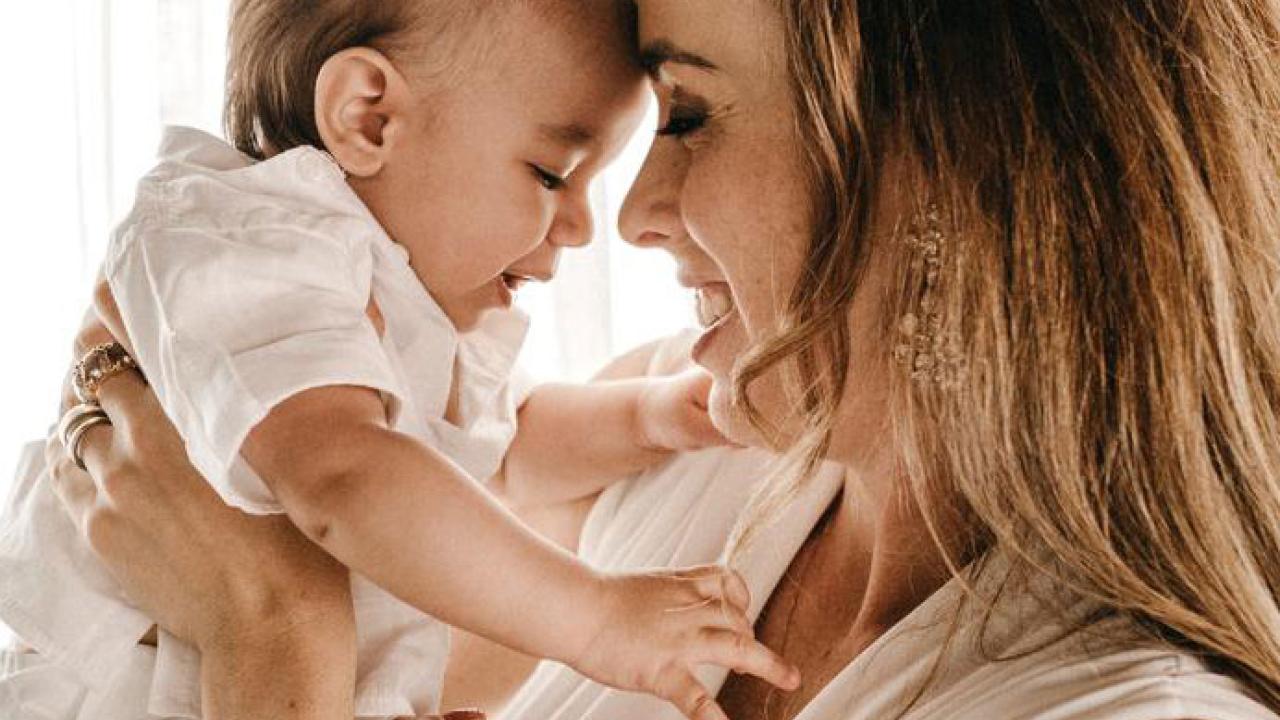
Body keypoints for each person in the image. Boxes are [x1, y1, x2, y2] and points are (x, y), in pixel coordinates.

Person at [23, 0, 1280, 718]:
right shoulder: (667, 455)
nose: (625, 218)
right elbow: (397, 499)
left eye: (685, 115)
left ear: (952, 162)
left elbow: (336, 574)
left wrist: (269, 630)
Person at [0, 1, 802, 719]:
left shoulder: (396, 294)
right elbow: (344, 478)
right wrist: (594, 617)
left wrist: (651, 415)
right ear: (369, 117)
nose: (584, 227)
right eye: (553, 173)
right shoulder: (243, 240)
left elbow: (505, 452)